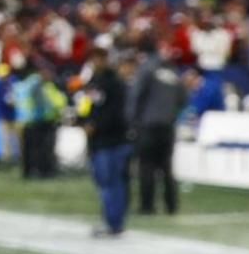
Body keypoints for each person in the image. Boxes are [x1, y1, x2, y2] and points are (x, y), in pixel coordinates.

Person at [80, 47, 134, 237]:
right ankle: (110, 220)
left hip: (112, 140)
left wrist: (95, 125)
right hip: (100, 141)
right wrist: (85, 122)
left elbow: (115, 113)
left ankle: (114, 222)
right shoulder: (95, 82)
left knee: (112, 182)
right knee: (105, 183)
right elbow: (88, 107)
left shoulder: (114, 84)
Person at [131, 65, 187, 216]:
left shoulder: (147, 71)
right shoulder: (174, 74)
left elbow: (137, 96)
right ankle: (171, 205)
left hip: (149, 126)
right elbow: (183, 98)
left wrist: (135, 121)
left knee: (147, 167)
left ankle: (147, 206)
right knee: (166, 167)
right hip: (167, 126)